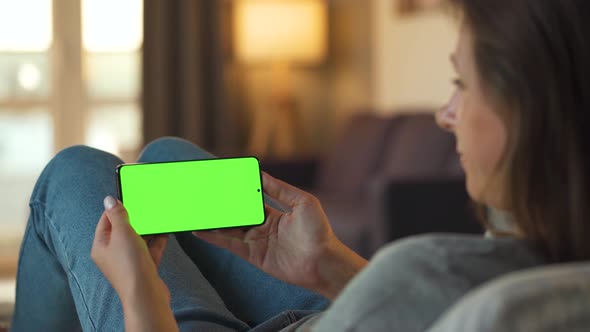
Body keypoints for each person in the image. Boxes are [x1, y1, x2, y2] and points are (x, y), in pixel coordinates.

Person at [10, 0, 590, 330]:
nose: (445, 113)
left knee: (77, 172)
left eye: (462, 83)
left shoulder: (491, 304)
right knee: (166, 157)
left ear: (533, 110)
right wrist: (329, 266)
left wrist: (142, 299)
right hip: (318, 312)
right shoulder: (552, 258)